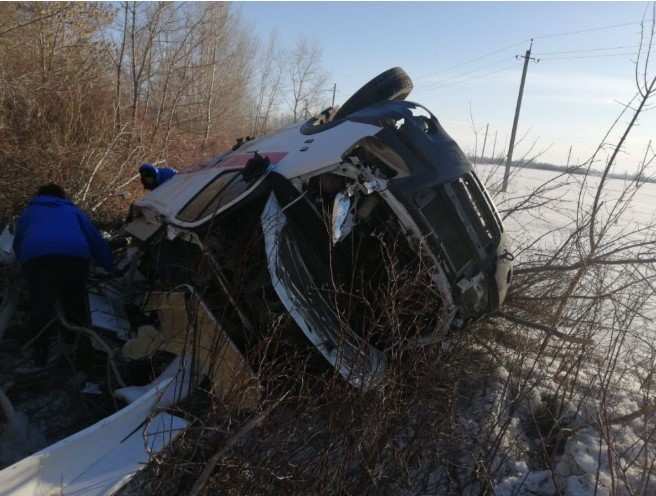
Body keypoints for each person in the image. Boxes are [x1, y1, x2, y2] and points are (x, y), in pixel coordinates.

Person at [13, 184, 113, 366]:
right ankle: (76, 350)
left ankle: (40, 354)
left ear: (39, 195)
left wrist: (23, 265)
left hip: (38, 259)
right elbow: (95, 240)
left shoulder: (29, 212)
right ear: (62, 196)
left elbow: (19, 241)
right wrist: (109, 266)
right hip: (74, 258)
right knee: (74, 304)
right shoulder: (73, 211)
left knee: (40, 306)